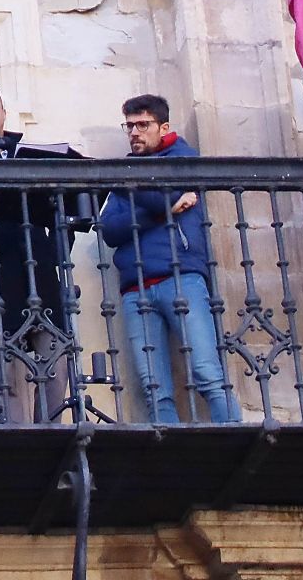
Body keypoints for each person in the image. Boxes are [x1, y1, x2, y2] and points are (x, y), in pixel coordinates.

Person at [97, 94, 238, 424]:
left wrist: (142, 194)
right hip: (136, 289)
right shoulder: (124, 172)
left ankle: (235, 440)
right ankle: (171, 462)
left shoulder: (183, 157)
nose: (134, 132)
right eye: (129, 126)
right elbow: (110, 229)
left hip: (182, 278)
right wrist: (162, 211)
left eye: (142, 125)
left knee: (207, 374)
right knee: (154, 389)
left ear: (164, 127)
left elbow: (173, 192)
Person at [0, 80, 78, 423]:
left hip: (36, 270)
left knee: (55, 363)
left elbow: (62, 209)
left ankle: (50, 432)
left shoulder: (30, 153)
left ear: (4, 112)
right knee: (4, 377)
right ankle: (18, 441)